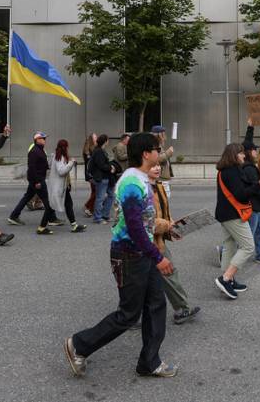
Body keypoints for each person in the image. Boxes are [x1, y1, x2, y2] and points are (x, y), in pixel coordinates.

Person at [64, 132, 177, 379]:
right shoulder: (131, 183)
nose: (160, 153)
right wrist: (159, 258)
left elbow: (144, 224)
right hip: (130, 255)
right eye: (157, 149)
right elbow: (136, 229)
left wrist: (165, 233)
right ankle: (79, 345)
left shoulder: (142, 179)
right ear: (146, 154)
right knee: (128, 314)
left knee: (156, 305)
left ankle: (149, 361)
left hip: (143, 253)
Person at [148, 163, 201, 324]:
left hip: (158, 240)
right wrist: (167, 225)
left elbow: (165, 213)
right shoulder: (140, 188)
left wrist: (172, 228)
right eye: (152, 166)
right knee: (165, 273)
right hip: (146, 243)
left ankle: (181, 309)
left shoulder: (159, 185)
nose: (157, 168)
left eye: (158, 165)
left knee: (158, 276)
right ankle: (182, 309)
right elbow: (145, 222)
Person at [213, 143, 256, 300]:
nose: (244, 156)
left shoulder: (225, 170)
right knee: (248, 246)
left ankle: (228, 279)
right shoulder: (231, 171)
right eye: (241, 153)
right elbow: (241, 195)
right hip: (233, 214)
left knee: (229, 245)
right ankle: (225, 279)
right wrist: (258, 187)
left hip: (225, 214)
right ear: (234, 154)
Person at [8, 132, 54, 229]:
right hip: (37, 180)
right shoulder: (34, 151)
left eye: (45, 138)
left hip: (37, 179)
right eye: (43, 138)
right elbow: (32, 167)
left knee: (27, 197)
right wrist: (37, 182)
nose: (45, 140)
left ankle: (13, 216)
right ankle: (51, 219)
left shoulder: (40, 150)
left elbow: (40, 164)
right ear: (37, 140)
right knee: (47, 201)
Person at [46, 139, 87, 234]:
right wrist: (71, 163)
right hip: (58, 187)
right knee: (51, 206)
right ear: (65, 147)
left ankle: (74, 225)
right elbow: (61, 171)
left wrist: (70, 162)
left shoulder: (58, 156)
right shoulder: (59, 157)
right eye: (67, 147)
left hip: (62, 186)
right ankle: (42, 226)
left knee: (68, 205)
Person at [88, 134, 115, 224]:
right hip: (101, 177)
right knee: (100, 198)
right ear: (105, 141)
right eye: (108, 140)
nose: (108, 142)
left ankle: (105, 215)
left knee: (111, 195)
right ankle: (97, 218)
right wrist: (110, 167)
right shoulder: (99, 151)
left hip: (106, 177)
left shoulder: (101, 150)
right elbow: (101, 165)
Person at [152, 126, 175, 200]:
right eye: (163, 133)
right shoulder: (154, 144)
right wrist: (168, 153)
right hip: (160, 177)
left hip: (162, 176)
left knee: (165, 198)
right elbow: (157, 159)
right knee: (163, 199)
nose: (165, 135)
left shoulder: (159, 144)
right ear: (159, 135)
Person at [81, 133, 98, 218]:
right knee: (96, 191)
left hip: (90, 173)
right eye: (95, 137)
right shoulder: (90, 150)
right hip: (92, 174)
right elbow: (90, 164)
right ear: (91, 140)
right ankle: (88, 206)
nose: (97, 138)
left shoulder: (88, 150)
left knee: (94, 191)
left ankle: (91, 208)